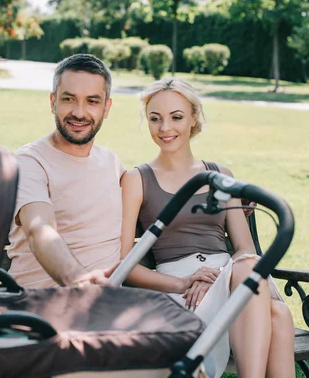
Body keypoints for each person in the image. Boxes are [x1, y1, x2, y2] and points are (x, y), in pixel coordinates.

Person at [120, 77, 296, 378]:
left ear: (193, 119)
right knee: (277, 313)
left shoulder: (220, 175)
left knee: (252, 273)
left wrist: (216, 279)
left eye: (176, 117)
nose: (165, 129)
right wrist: (185, 281)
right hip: (180, 290)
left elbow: (243, 248)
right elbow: (125, 265)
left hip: (230, 279)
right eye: (155, 119)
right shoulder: (136, 179)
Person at [7, 54, 124, 289]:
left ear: (106, 107)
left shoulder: (112, 163)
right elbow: (39, 228)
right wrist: (79, 280)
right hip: (42, 304)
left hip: (104, 305)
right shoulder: (30, 162)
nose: (79, 113)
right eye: (69, 99)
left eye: (92, 101)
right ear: (53, 102)